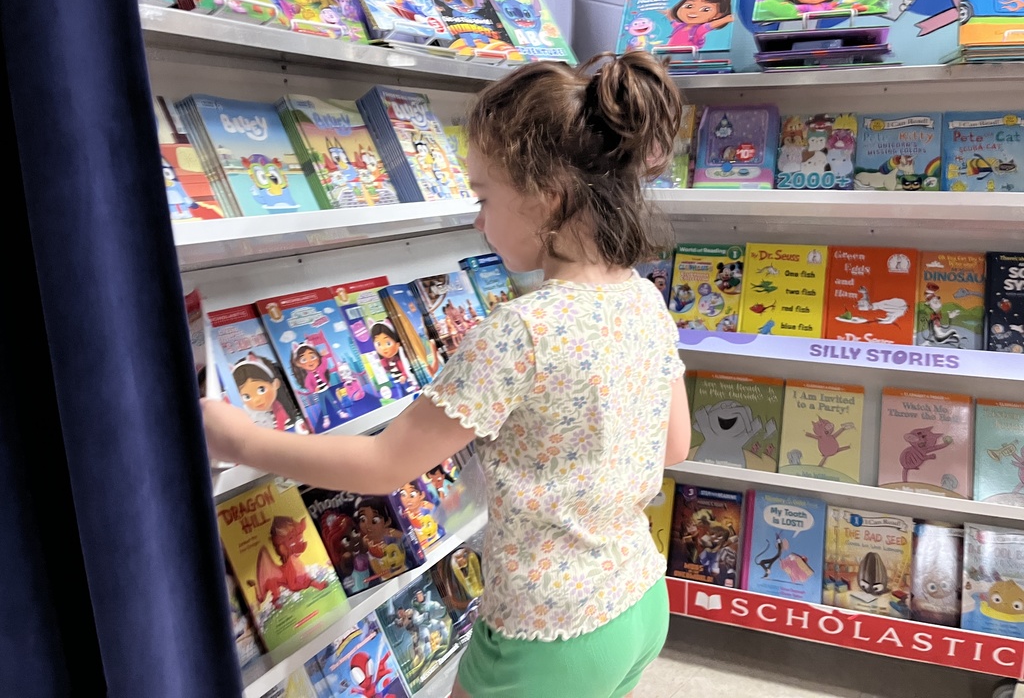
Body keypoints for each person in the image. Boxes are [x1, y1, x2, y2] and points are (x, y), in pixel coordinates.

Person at [201, 49, 692, 698]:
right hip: (636, 603)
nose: (477, 220)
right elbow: (676, 446)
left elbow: (383, 467)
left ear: (548, 200)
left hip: (545, 633)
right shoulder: (643, 298)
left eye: (485, 197)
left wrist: (240, 441)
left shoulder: (521, 333)